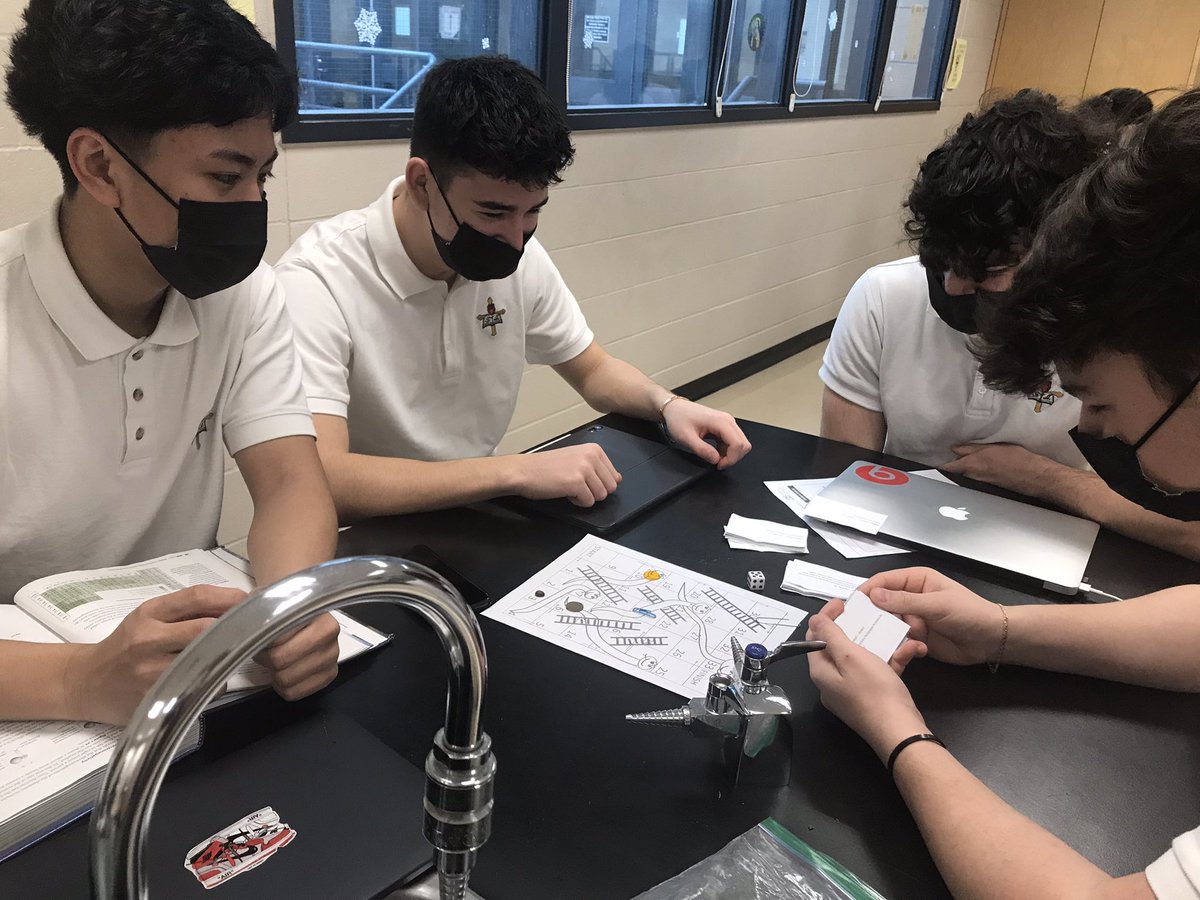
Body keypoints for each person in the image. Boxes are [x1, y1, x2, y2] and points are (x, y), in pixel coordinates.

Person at [807, 88, 1200, 899]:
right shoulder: (883, 300)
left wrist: (900, 735)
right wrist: (1000, 631)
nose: (1094, 429)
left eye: (1097, 401)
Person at [0, 0, 340, 725]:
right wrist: (78, 681)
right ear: (98, 165)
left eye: (263, 177)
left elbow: (290, 484)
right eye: (225, 178)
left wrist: (288, 609)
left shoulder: (244, 296)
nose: (251, 205)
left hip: (193, 684)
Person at [275, 56, 751, 521]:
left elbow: (593, 369)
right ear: (422, 182)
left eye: (534, 211)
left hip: (480, 511)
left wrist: (669, 406)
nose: (516, 237)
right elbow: (323, 480)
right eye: (494, 213)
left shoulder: (520, 258)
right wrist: (514, 470)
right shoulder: (317, 282)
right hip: (367, 535)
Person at [819, 87, 1200, 562]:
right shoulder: (883, 295)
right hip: (910, 533)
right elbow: (845, 477)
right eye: (944, 261)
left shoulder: (1118, 340)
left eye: (991, 269)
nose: (956, 288)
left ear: (1064, 252)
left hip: (1061, 544)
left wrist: (1044, 478)